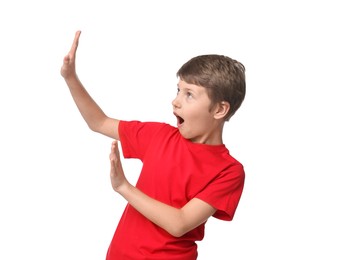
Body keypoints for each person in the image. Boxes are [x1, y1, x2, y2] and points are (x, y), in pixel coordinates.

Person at [61, 30, 246, 260]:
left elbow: (180, 223)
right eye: (178, 90)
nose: (176, 101)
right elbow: (99, 122)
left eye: (189, 94)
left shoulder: (229, 171)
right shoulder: (158, 135)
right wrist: (71, 78)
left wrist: (124, 187)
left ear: (219, 109)